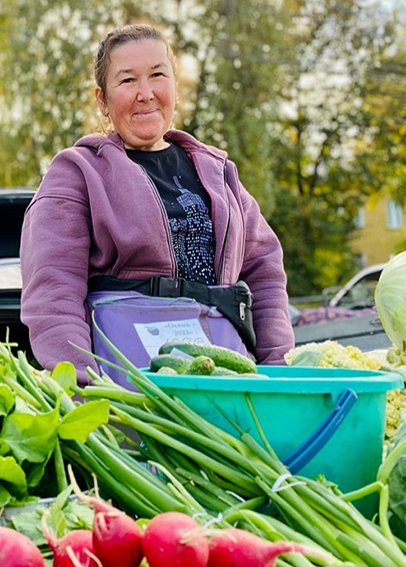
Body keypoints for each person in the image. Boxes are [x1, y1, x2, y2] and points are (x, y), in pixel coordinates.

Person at [19, 24, 294, 385]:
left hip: (226, 378)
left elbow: (264, 269)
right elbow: (53, 292)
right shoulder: (77, 173)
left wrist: (277, 370)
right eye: (128, 80)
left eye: (157, 75)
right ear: (102, 99)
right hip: (126, 384)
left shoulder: (219, 172)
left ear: (175, 86)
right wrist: (82, 387)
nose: (145, 93)